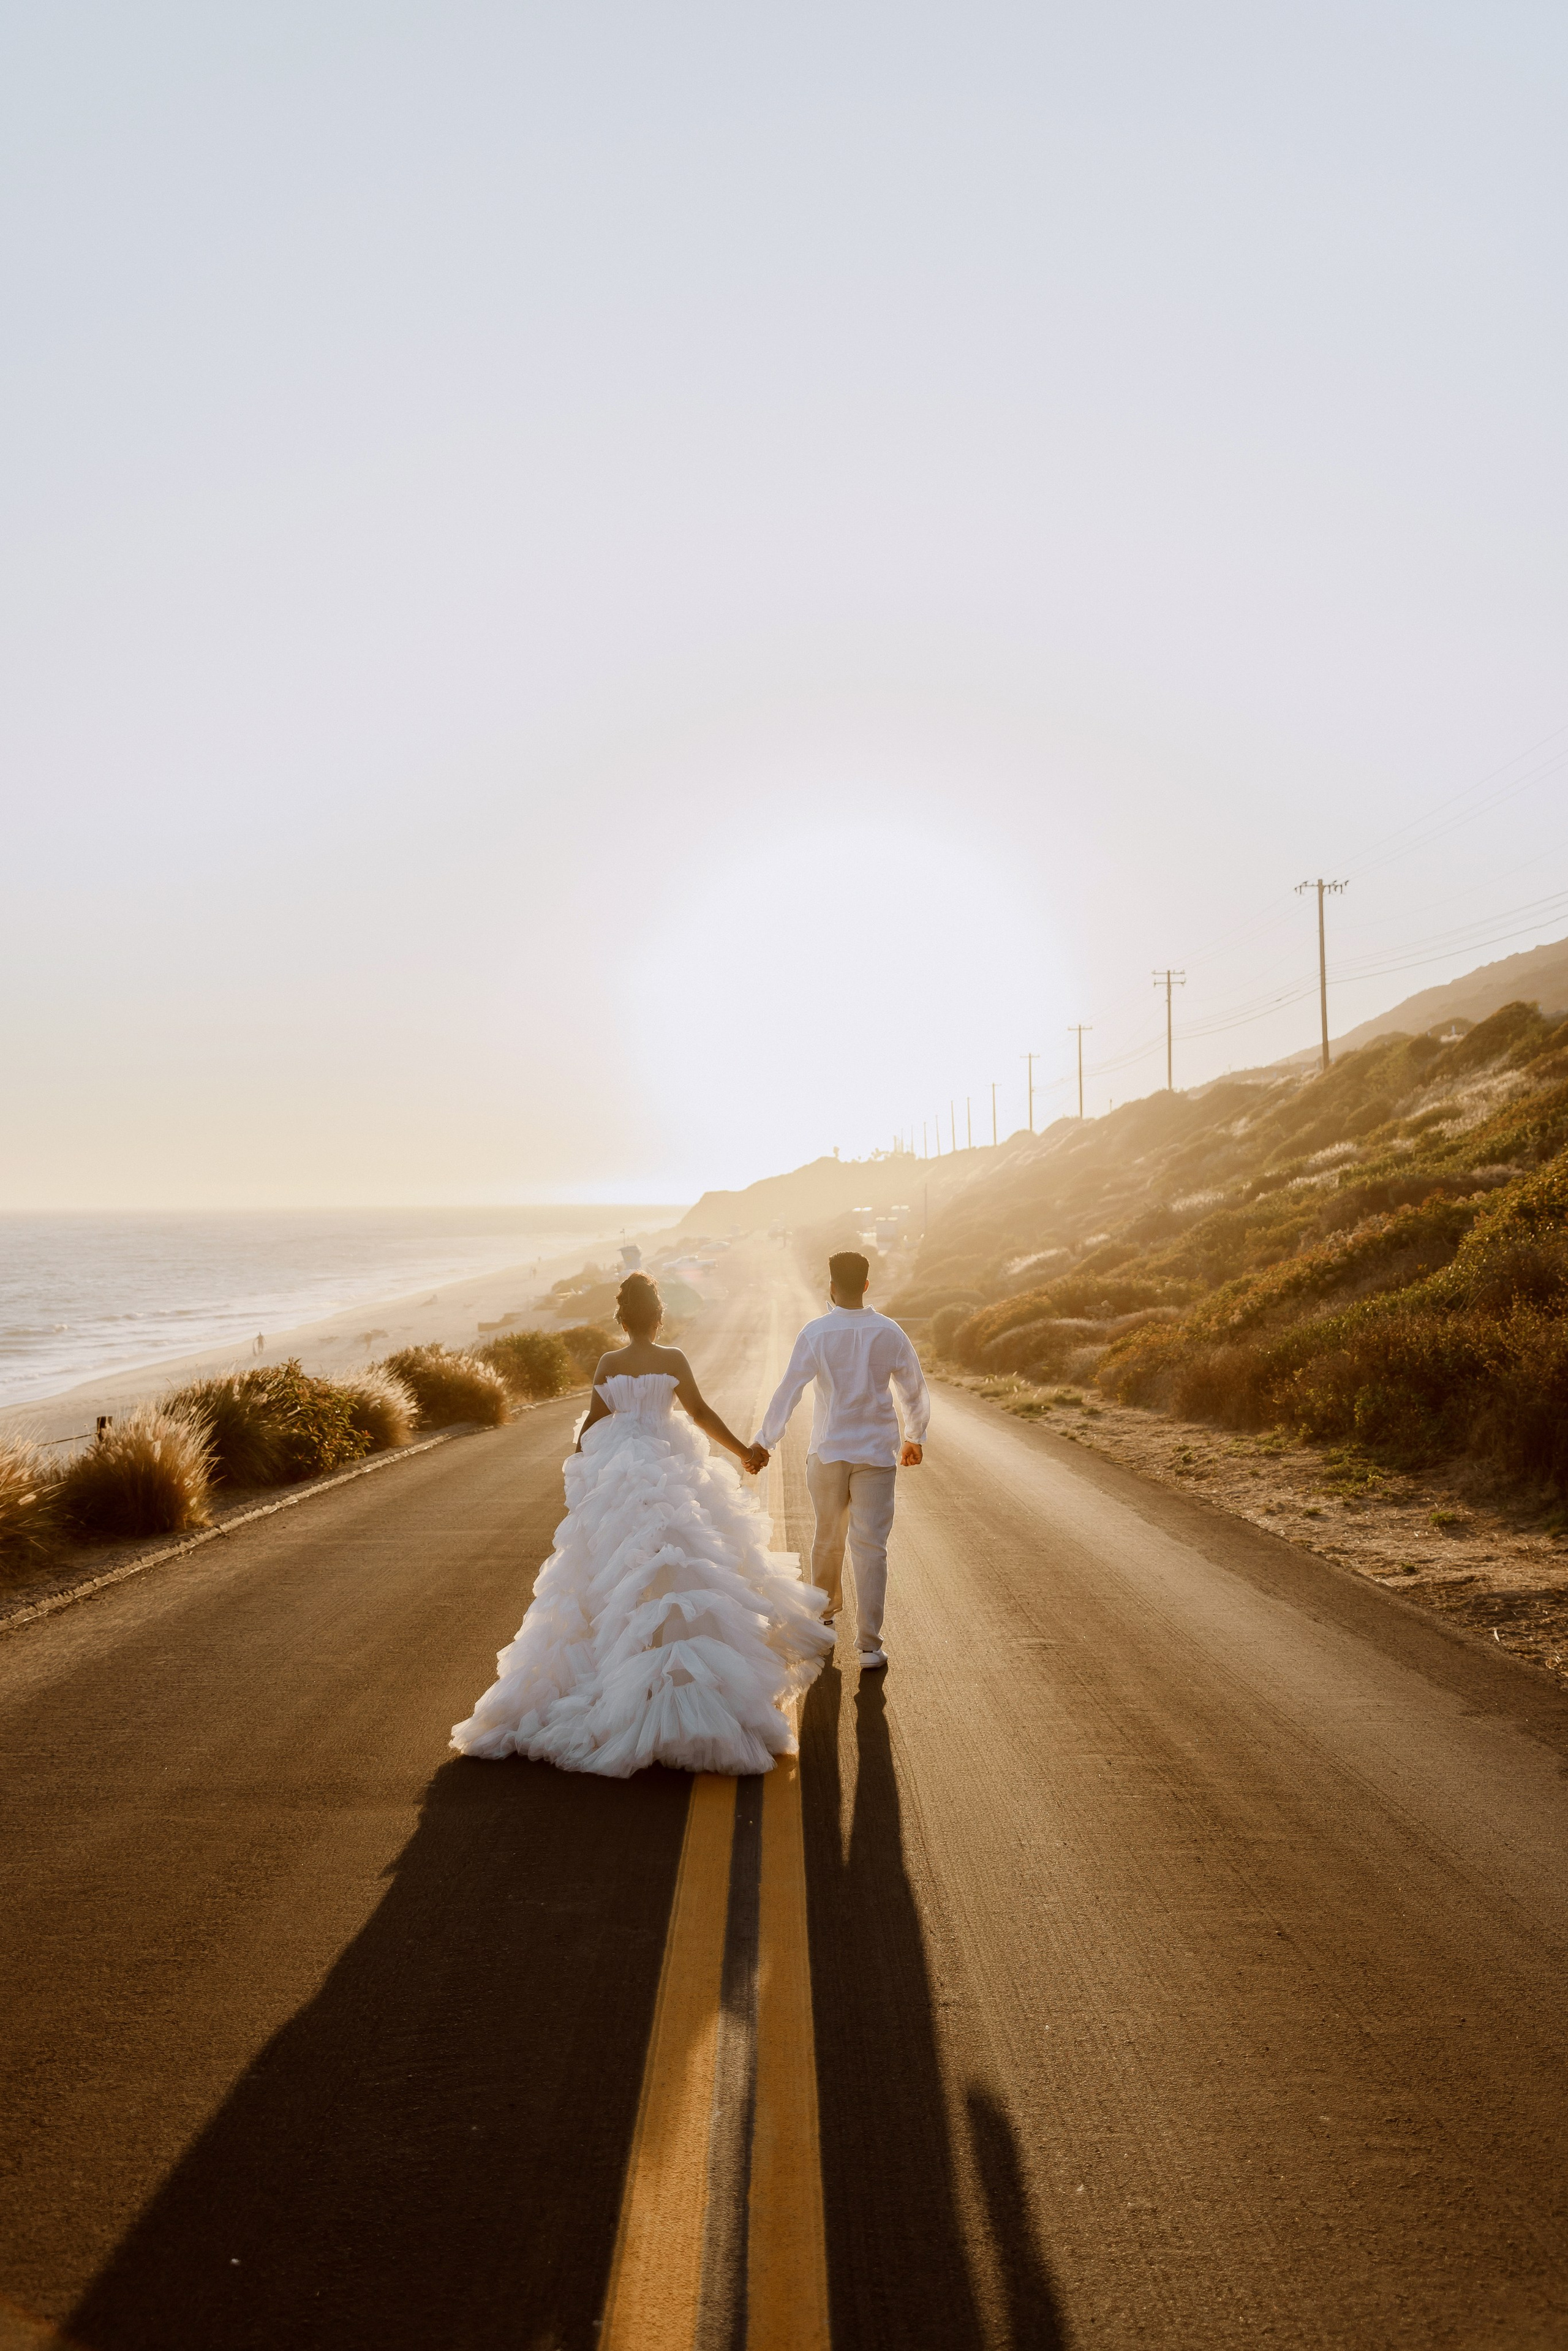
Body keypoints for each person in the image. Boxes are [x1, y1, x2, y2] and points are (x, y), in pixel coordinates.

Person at [451, 1272, 832, 1777]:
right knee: (681, 1570)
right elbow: (699, 1413)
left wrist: (585, 1471)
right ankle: (682, 1687)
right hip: (668, 1467)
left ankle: (626, 1679)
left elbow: (593, 1424)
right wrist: (745, 1452)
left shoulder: (609, 1363)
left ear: (622, 1318)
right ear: (658, 1316)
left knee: (616, 1576)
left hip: (620, 1474)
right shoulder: (672, 1359)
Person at [750, 1251, 929, 1673]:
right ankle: (869, 1646)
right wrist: (914, 1436)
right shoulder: (889, 1331)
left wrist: (764, 1441)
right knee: (871, 1549)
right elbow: (914, 1388)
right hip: (876, 1455)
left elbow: (789, 1389)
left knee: (827, 1538)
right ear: (866, 1284)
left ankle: (825, 1621)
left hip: (828, 1452)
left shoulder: (816, 1332)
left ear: (831, 1286)